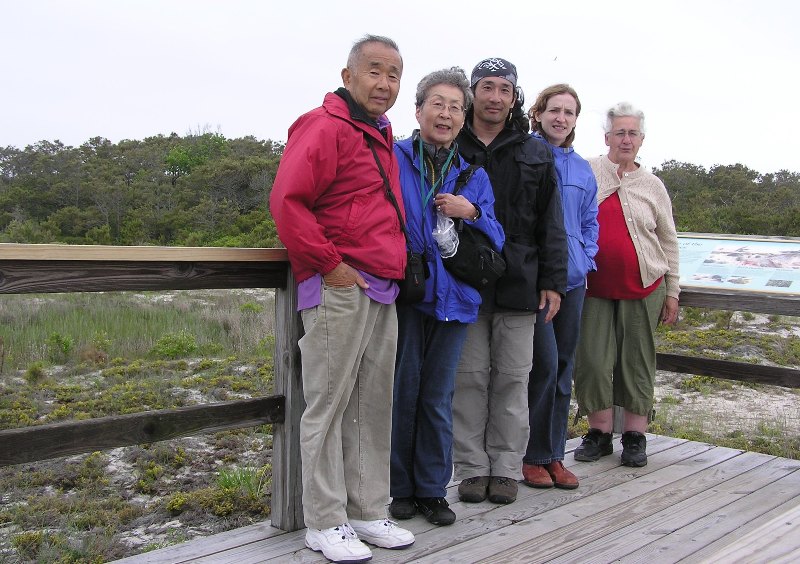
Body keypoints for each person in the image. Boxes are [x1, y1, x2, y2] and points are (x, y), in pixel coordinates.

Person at [268, 34, 414, 563]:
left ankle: (368, 509)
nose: (385, 82)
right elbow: (287, 202)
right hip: (339, 286)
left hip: (381, 286)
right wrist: (331, 266)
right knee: (327, 405)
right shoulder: (324, 125)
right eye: (374, 70)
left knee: (372, 407)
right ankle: (325, 521)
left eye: (394, 74)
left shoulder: (377, 134)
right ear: (348, 75)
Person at [389, 68, 505, 526]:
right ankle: (400, 489)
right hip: (406, 293)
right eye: (437, 104)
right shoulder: (395, 157)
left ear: (463, 118)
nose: (447, 113)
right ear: (418, 111)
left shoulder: (471, 173)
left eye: (456, 107)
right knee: (404, 392)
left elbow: (496, 235)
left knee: (437, 396)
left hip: (455, 301)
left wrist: (470, 210)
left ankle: (433, 490)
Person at [452, 58, 567, 506]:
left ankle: (505, 467)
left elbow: (550, 223)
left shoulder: (535, 151)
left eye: (504, 88)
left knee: (513, 380)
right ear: (473, 91)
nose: (495, 96)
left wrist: (553, 281)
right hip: (464, 279)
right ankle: (472, 469)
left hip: (521, 281)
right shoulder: (451, 144)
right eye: (487, 87)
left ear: (514, 96)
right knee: (470, 379)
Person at [573, 102, 680, 468]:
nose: (626, 139)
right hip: (592, 288)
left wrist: (674, 291)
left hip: (646, 286)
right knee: (592, 362)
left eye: (632, 133)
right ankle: (599, 434)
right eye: (619, 132)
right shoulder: (588, 171)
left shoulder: (653, 185)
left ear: (642, 140)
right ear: (607, 137)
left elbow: (668, 240)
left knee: (637, 362)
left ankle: (635, 436)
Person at [522, 84, 599, 489]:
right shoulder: (527, 154)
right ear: (538, 113)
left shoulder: (582, 168)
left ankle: (553, 455)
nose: (561, 118)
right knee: (544, 367)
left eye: (569, 112)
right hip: (537, 283)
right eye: (554, 110)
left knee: (564, 368)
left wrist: (586, 257)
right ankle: (531, 454)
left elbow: (589, 221)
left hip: (574, 282)